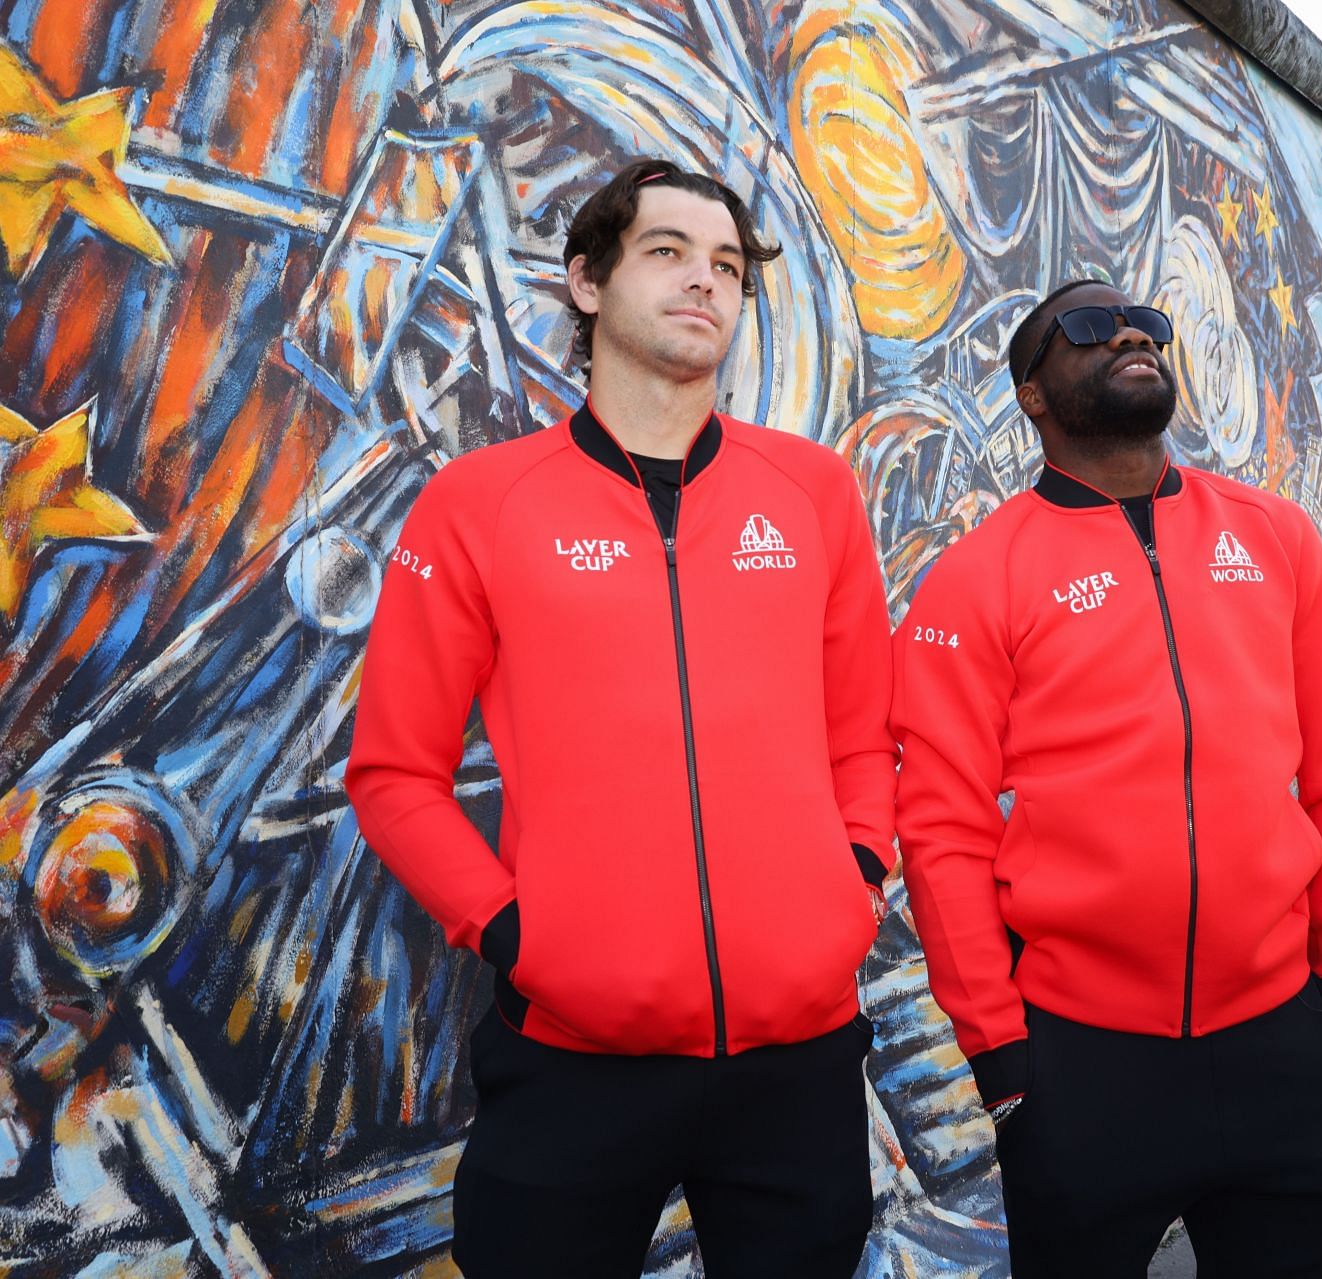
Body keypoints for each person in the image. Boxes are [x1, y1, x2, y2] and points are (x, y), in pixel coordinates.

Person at [345, 159, 896, 1277]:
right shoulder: (482, 503)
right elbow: (393, 773)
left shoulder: (814, 494)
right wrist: (515, 934)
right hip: (572, 1058)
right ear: (588, 281)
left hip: (801, 1057)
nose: (705, 281)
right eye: (669, 252)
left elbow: (865, 733)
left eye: (728, 266)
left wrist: (857, 881)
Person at [891, 280, 1322, 1277]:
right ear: (1033, 394)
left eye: (1146, 324)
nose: (1130, 331)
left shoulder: (1275, 536)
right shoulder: (978, 576)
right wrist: (1003, 1059)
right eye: (1084, 326)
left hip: (1287, 1040)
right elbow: (941, 826)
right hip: (1084, 1062)